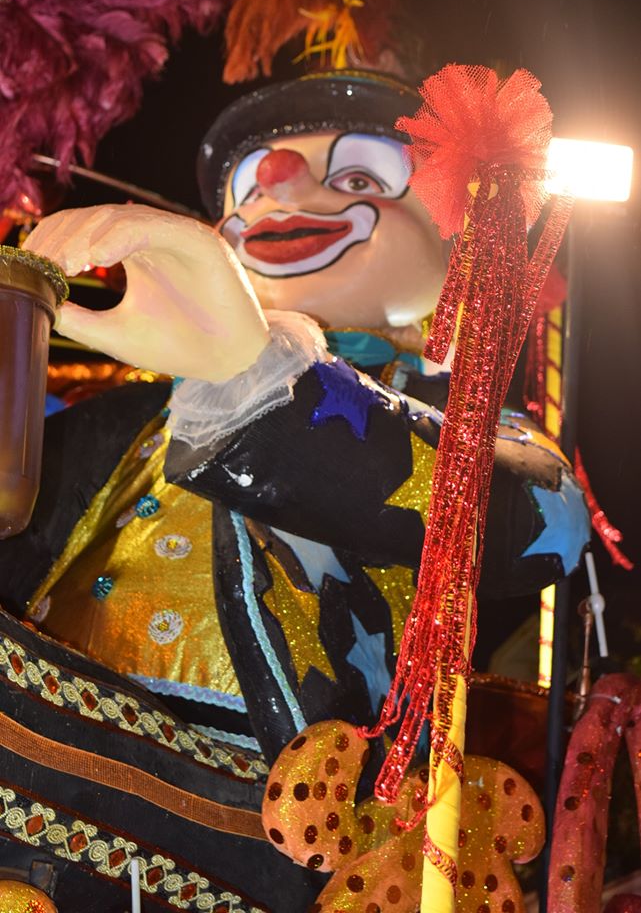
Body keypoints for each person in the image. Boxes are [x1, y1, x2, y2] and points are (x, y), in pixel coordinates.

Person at [1, 71, 589, 763]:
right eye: (247, 192)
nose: (278, 187)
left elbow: (543, 522)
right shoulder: (136, 415)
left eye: (357, 180)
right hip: (42, 737)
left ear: (454, 247)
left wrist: (250, 366)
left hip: (285, 784)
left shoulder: (450, 417)